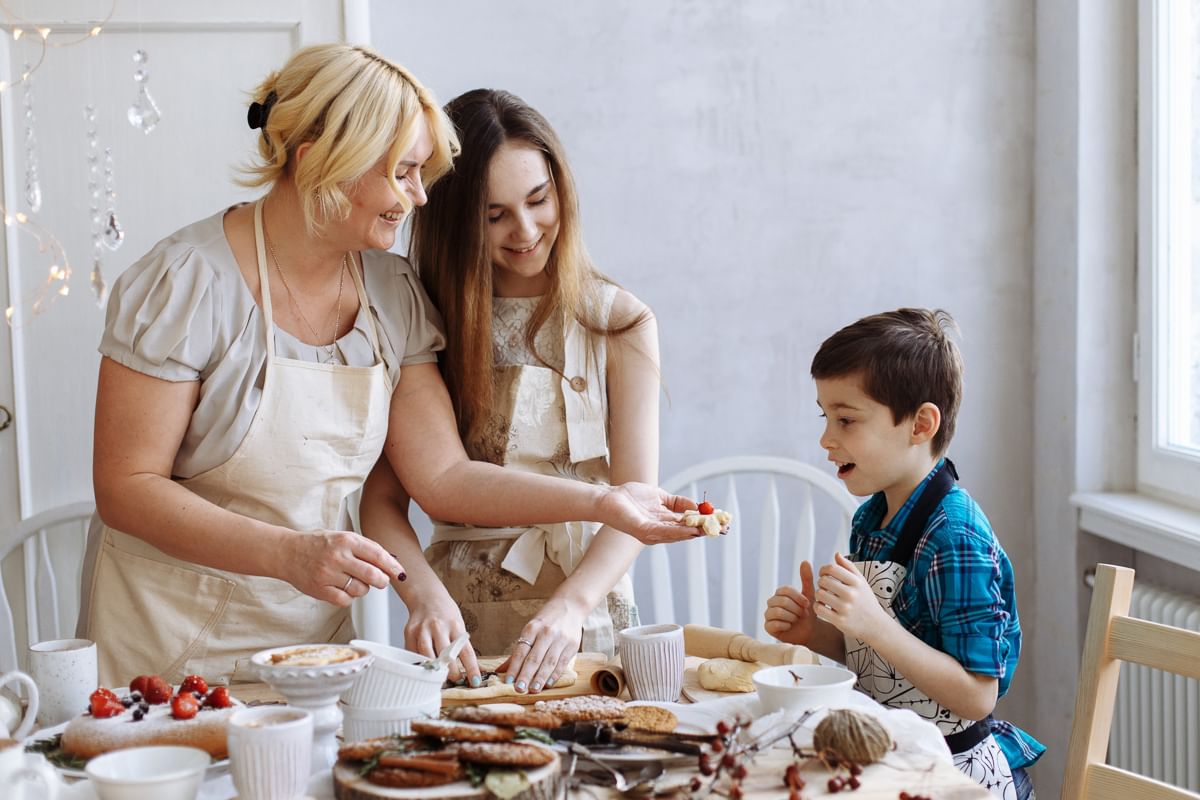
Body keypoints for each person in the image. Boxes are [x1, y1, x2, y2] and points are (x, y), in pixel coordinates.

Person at [78, 45, 699, 687]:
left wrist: (604, 502)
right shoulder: (184, 283)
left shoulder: (390, 292)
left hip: (308, 649)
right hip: (164, 646)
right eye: (404, 172)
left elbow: (444, 477)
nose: (421, 197)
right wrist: (288, 552)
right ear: (320, 159)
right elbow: (126, 485)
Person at [361, 89, 659, 695]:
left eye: (539, 199)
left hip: (586, 612)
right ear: (452, 217)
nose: (525, 231)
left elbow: (637, 503)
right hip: (457, 623)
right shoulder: (420, 318)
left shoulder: (618, 322)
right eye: (494, 215)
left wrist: (573, 606)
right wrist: (421, 595)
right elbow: (381, 502)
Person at [762, 309, 1044, 799]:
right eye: (825, 417)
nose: (826, 439)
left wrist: (872, 623)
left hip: (953, 772)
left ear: (921, 424)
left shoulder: (955, 538)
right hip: (892, 758)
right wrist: (821, 633)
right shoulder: (871, 520)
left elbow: (977, 696)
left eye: (846, 419)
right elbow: (885, 662)